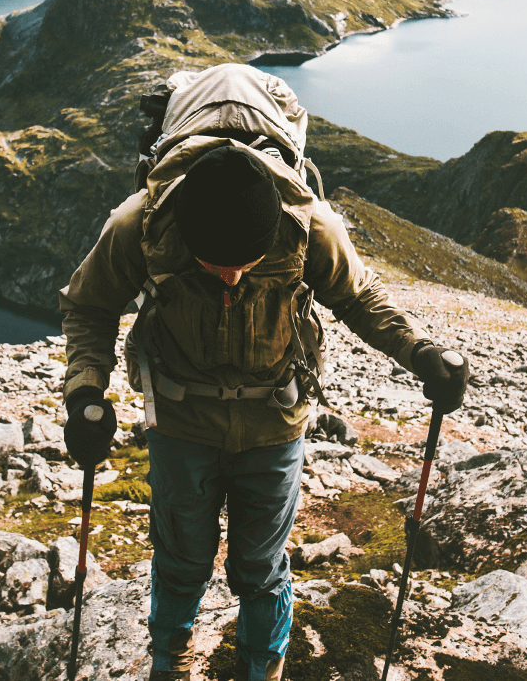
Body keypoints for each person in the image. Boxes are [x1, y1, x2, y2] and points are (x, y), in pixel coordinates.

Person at [58, 64, 471, 681]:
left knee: (259, 565)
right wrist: (85, 393)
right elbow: (87, 306)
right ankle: (167, 665)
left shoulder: (309, 227)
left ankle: (264, 670)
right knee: (179, 559)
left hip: (275, 423)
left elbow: (360, 300)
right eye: (212, 264)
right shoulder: (141, 223)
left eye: (243, 266)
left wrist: (421, 355)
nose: (229, 277)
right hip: (181, 421)